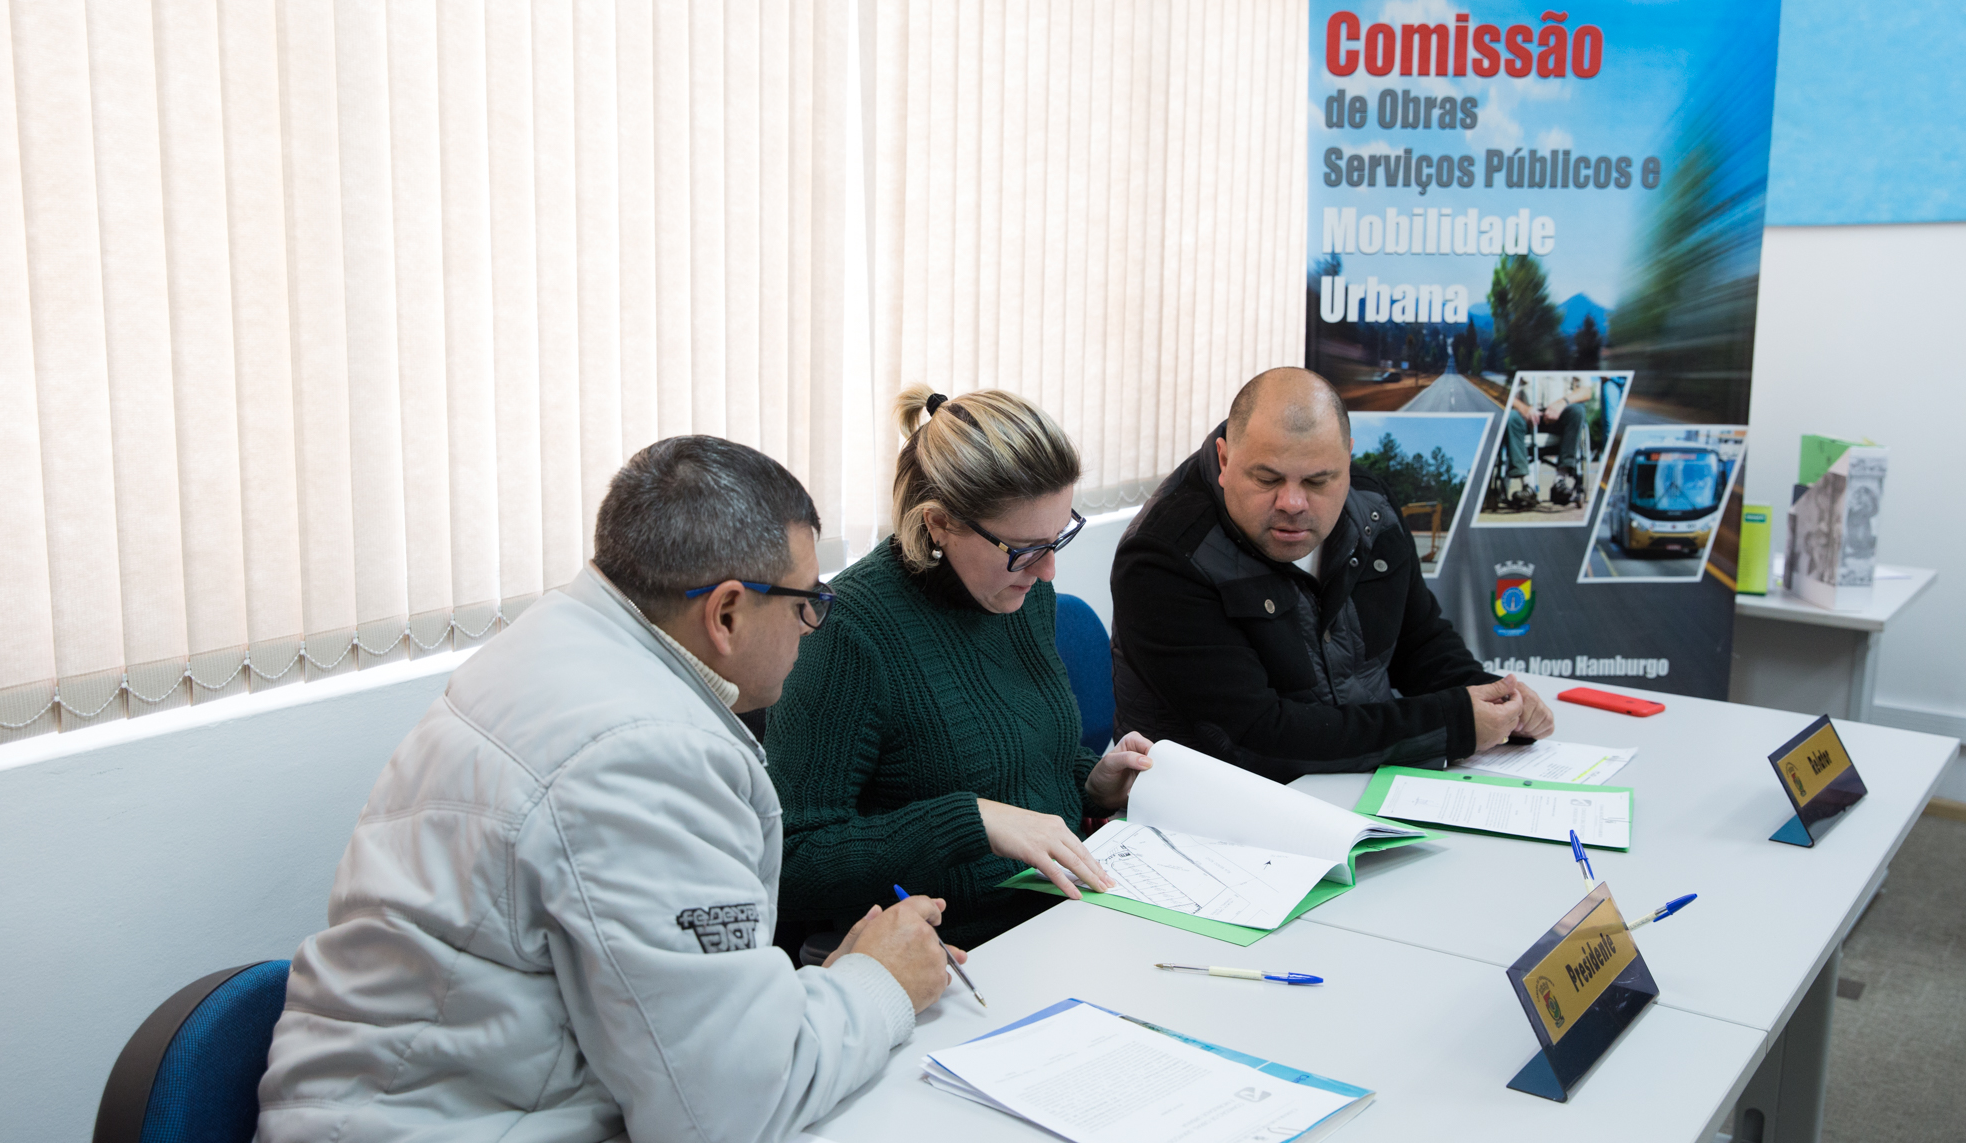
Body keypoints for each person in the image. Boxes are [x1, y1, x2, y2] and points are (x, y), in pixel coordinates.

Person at [258, 437, 958, 1143]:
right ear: (726, 614)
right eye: (808, 603)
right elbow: (732, 1113)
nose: (812, 627)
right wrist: (881, 984)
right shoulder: (647, 757)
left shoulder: (560, 642)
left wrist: (816, 993)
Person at [766, 385, 1153, 950]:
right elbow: (790, 864)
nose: (1047, 571)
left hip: (1064, 917)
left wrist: (1091, 784)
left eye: (1058, 538)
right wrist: (968, 821)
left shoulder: (1020, 592)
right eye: (1024, 548)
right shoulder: (849, 634)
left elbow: (1021, 760)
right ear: (939, 523)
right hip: (955, 951)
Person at [1111, 367, 1554, 780]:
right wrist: (1452, 722)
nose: (1293, 503)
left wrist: (1493, 699)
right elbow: (1254, 739)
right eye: (1267, 479)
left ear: (1347, 459)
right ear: (1224, 460)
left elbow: (1420, 642)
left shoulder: (1371, 507)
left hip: (1366, 781)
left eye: (1318, 481)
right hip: (1214, 807)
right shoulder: (1164, 557)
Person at [1501, 375, 1595, 504]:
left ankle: (1560, 481)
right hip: (1528, 417)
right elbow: (1503, 392)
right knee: (1510, 417)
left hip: (1560, 415)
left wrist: (1562, 402)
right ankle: (1527, 486)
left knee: (1577, 411)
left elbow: (1586, 391)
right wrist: (1524, 409)